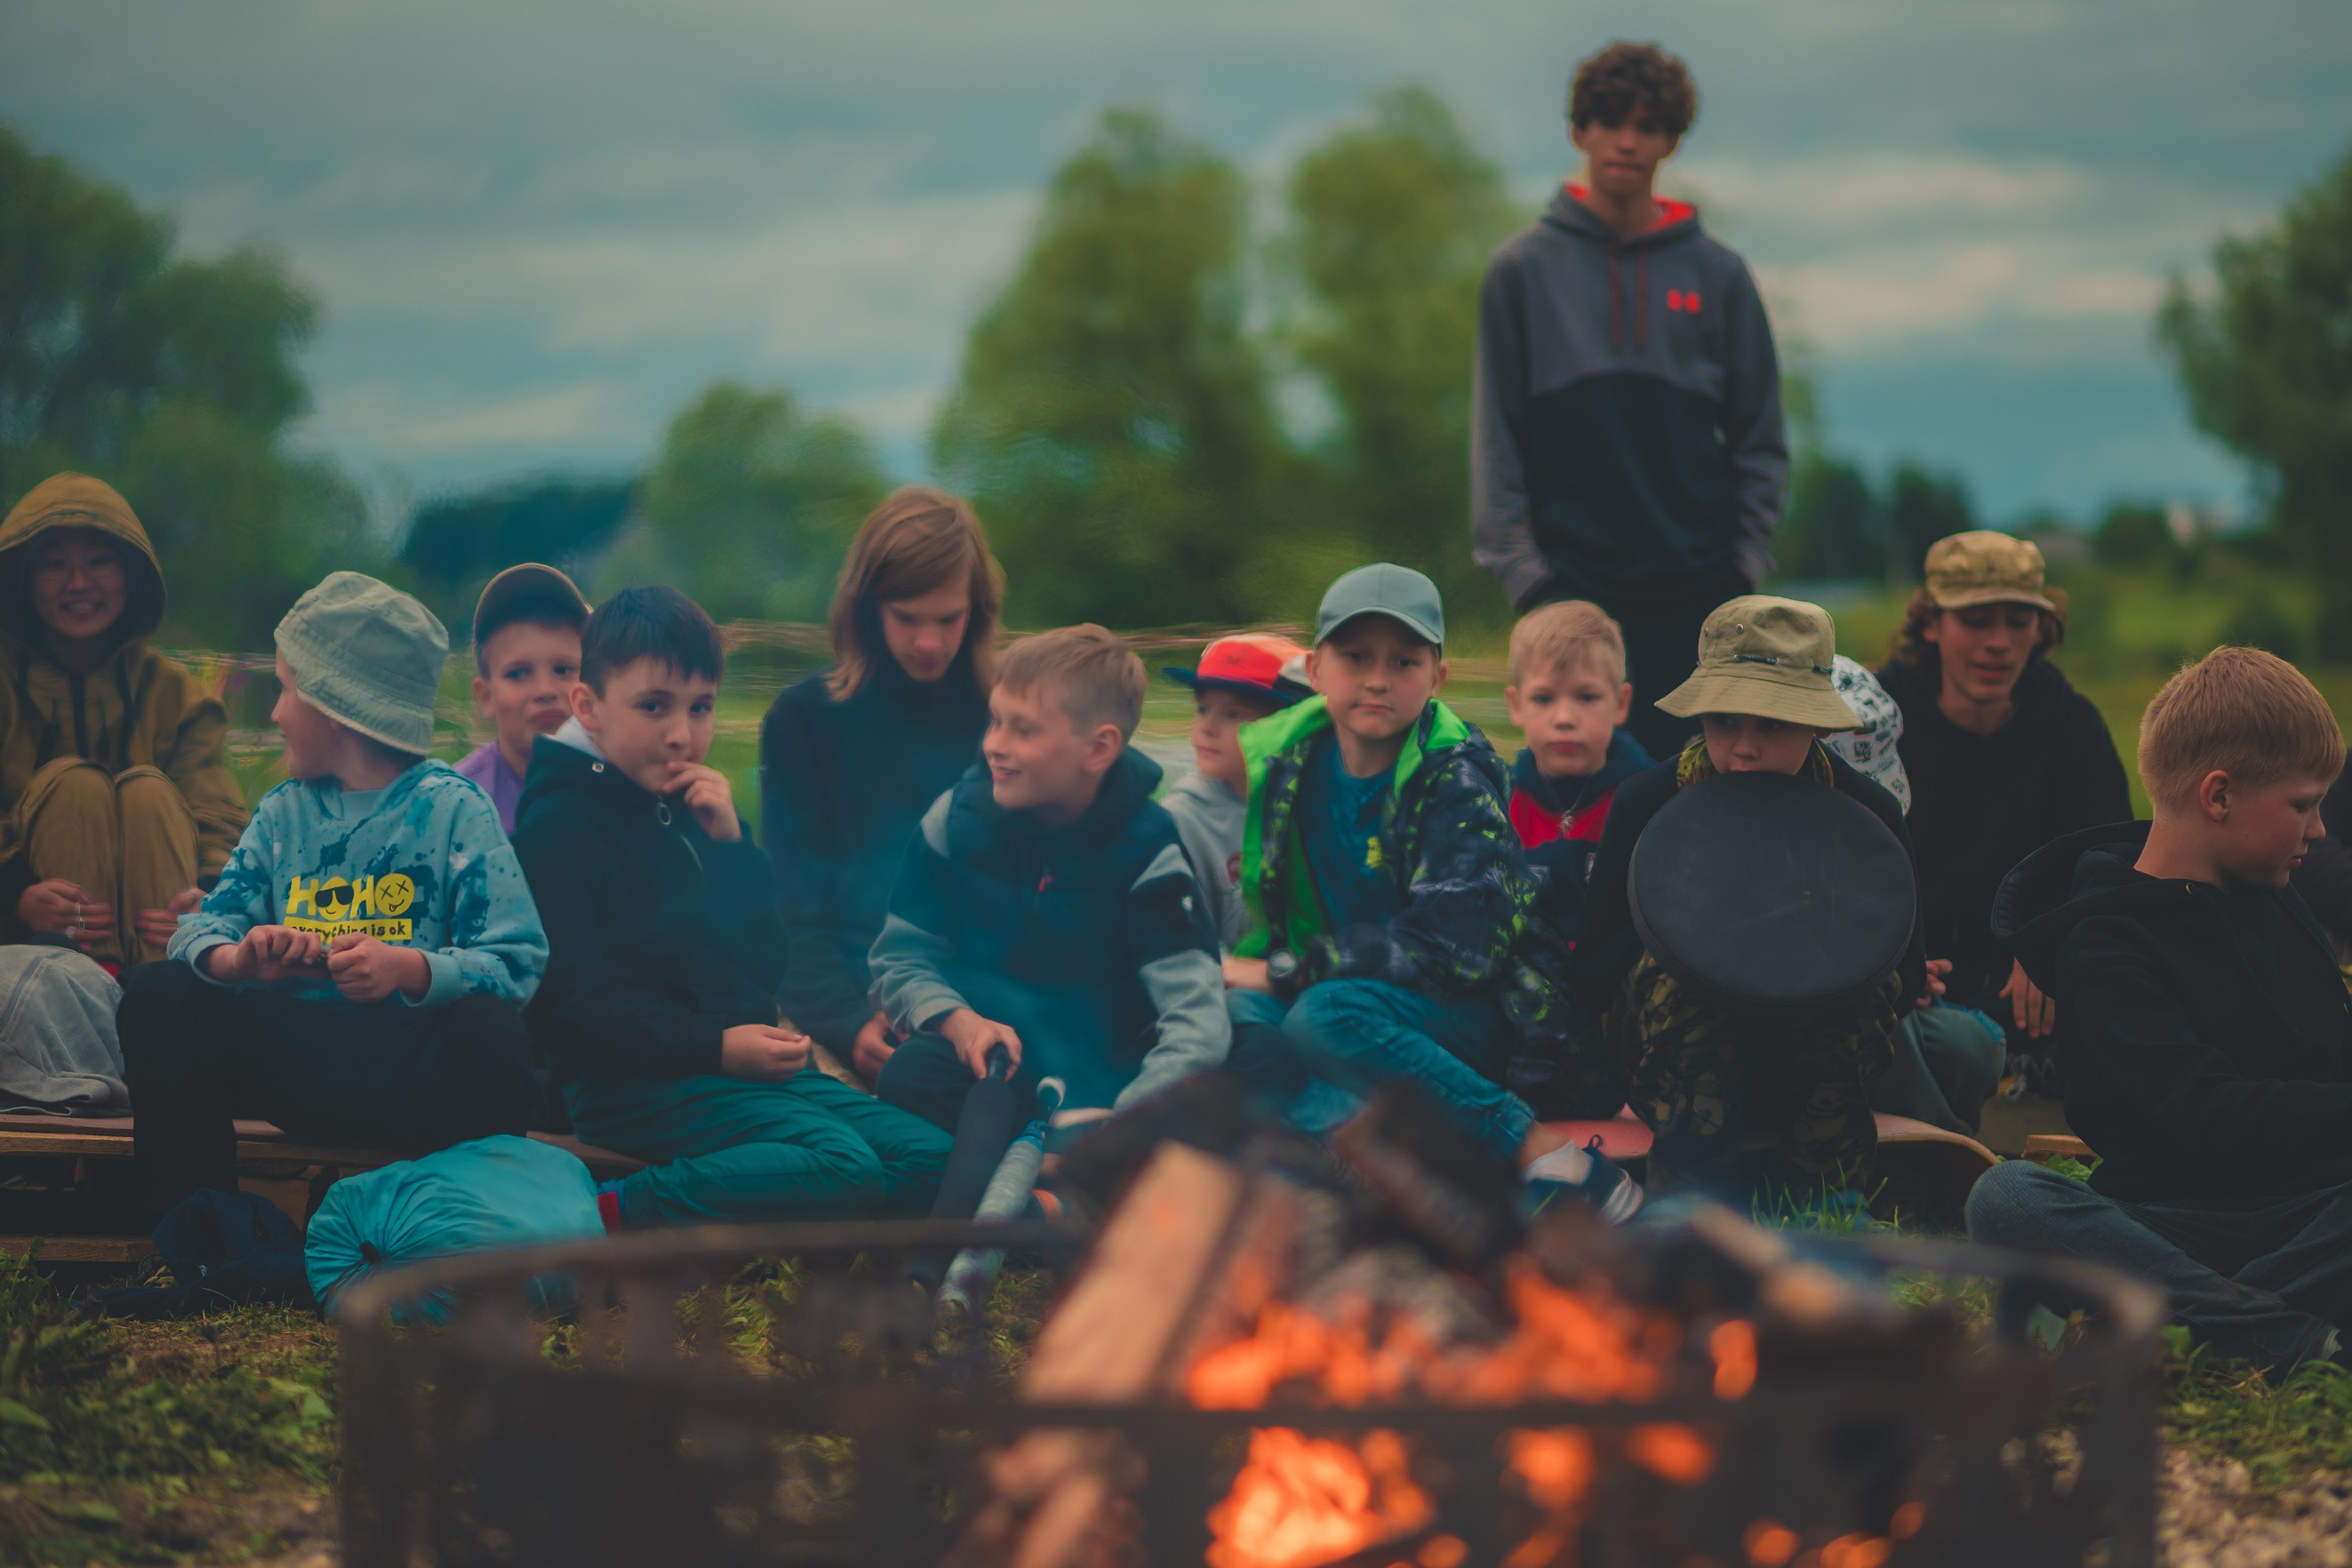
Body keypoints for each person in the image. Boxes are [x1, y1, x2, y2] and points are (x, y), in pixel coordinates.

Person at [513, 587, 949, 1229]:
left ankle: (787, 1208)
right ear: (588, 706)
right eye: (653, 706)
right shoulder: (557, 828)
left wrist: (731, 848)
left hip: (741, 1073)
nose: (681, 734)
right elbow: (568, 1016)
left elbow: (765, 967)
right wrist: (715, 1048)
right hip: (632, 1087)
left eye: (701, 707)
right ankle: (608, 1214)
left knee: (933, 1157)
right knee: (844, 1165)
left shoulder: (691, 808)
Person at [1969, 648, 2352, 1376]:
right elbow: (2207, 1114)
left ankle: (2191, 1317)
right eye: (2303, 806)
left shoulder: (2278, 895)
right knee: (2008, 1197)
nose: (2319, 831)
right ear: (2219, 796)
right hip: (2174, 1221)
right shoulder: (2105, 944)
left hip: (2310, 1207)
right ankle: (2281, 1334)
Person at [119, 573, 547, 1221]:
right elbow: (202, 925)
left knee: (491, 1029)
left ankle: (454, 1226)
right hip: (295, 1058)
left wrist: (409, 968)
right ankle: (201, 1228)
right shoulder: (283, 813)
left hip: (411, 1064)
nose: (274, 713)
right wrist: (241, 959)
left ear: (335, 706)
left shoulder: (454, 809)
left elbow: (517, 959)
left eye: (286, 690)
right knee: (159, 991)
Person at [1227, 563, 1639, 1218]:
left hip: (1483, 1014)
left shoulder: (1457, 776)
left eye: (1404, 661)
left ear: (1437, 677)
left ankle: (1543, 1152)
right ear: (1315, 668)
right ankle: (1366, 1154)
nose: (1377, 679)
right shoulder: (1291, 764)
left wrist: (1289, 971)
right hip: (1354, 997)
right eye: (1355, 656)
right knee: (1236, 1019)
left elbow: (1457, 948)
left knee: (1322, 1017)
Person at [1471, 42, 1786, 759]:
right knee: (1577, 795)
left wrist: (1742, 566)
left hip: (1698, 593)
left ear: (1671, 141)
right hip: (1568, 590)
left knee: (1691, 792)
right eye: (1609, 121)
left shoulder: (1721, 275)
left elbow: (1761, 438)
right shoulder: (1520, 271)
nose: (1626, 142)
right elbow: (1496, 442)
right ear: (1578, 131)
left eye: (1648, 126)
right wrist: (1528, 580)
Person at [1571, 596, 1926, 1200]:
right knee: (1682, 977)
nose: (1744, 747)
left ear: (1818, 724)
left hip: (1808, 1065)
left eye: (1774, 725)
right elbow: (1592, 972)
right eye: (1725, 721)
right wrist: (1695, 930)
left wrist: (1809, 950)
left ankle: (1826, 1194)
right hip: (1670, 1061)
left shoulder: (1866, 817)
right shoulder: (1647, 805)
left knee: (1864, 988)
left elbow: (1905, 973)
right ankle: (1691, 1198)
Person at [869, 625, 1234, 1145]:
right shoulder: (955, 820)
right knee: (911, 1072)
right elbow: (900, 958)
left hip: (1113, 1079)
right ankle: (1042, 1163)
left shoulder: (1148, 851)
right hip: (998, 1062)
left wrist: (1119, 1128)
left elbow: (1195, 1020)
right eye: (995, 721)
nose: (994, 745)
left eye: (1024, 731)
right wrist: (958, 1021)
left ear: (1099, 748)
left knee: (1246, 1056)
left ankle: (1065, 1160)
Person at [1875, 531, 2131, 1095]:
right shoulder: (1874, 723)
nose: (1999, 643)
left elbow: (2111, 861)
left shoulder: (2073, 726)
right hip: (1906, 983)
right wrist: (1895, 965)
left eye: (2019, 621)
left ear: (2042, 630)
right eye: (1975, 620)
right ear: (1930, 623)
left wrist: (2050, 939)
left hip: (2028, 987)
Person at [763, 489, 999, 1085]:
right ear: (866, 610)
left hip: (989, 1006)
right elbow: (793, 912)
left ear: (977, 612)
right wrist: (847, 1024)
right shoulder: (804, 719)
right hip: (851, 1004)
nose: (929, 642)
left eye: (949, 619)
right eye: (907, 618)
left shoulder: (1004, 721)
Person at [0, 473, 247, 967]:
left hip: (163, 939)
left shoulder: (180, 696)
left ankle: (159, 988)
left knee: (147, 791)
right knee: (75, 786)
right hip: (28, 943)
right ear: (21, 581)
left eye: (100, 561)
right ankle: (88, 977)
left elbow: (217, 817)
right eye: (53, 565)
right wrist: (14, 897)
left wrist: (210, 899)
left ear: (133, 574)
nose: (78, 584)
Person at [1501, 600, 1651, 942]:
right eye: (1543, 699)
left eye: (1586, 697)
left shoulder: (1647, 801)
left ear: (1620, 704)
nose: (1565, 718)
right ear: (1516, 705)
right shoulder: (1498, 802)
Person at [1159, 634, 1313, 954]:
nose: (1207, 727)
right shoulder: (1183, 817)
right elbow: (1181, 935)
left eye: (1234, 715)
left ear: (1289, 726)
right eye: (1202, 709)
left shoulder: (1313, 805)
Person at [456, 563, 590, 835]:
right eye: (517, 674)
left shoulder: (629, 784)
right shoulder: (458, 807)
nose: (544, 690)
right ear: (486, 697)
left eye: (564, 670)